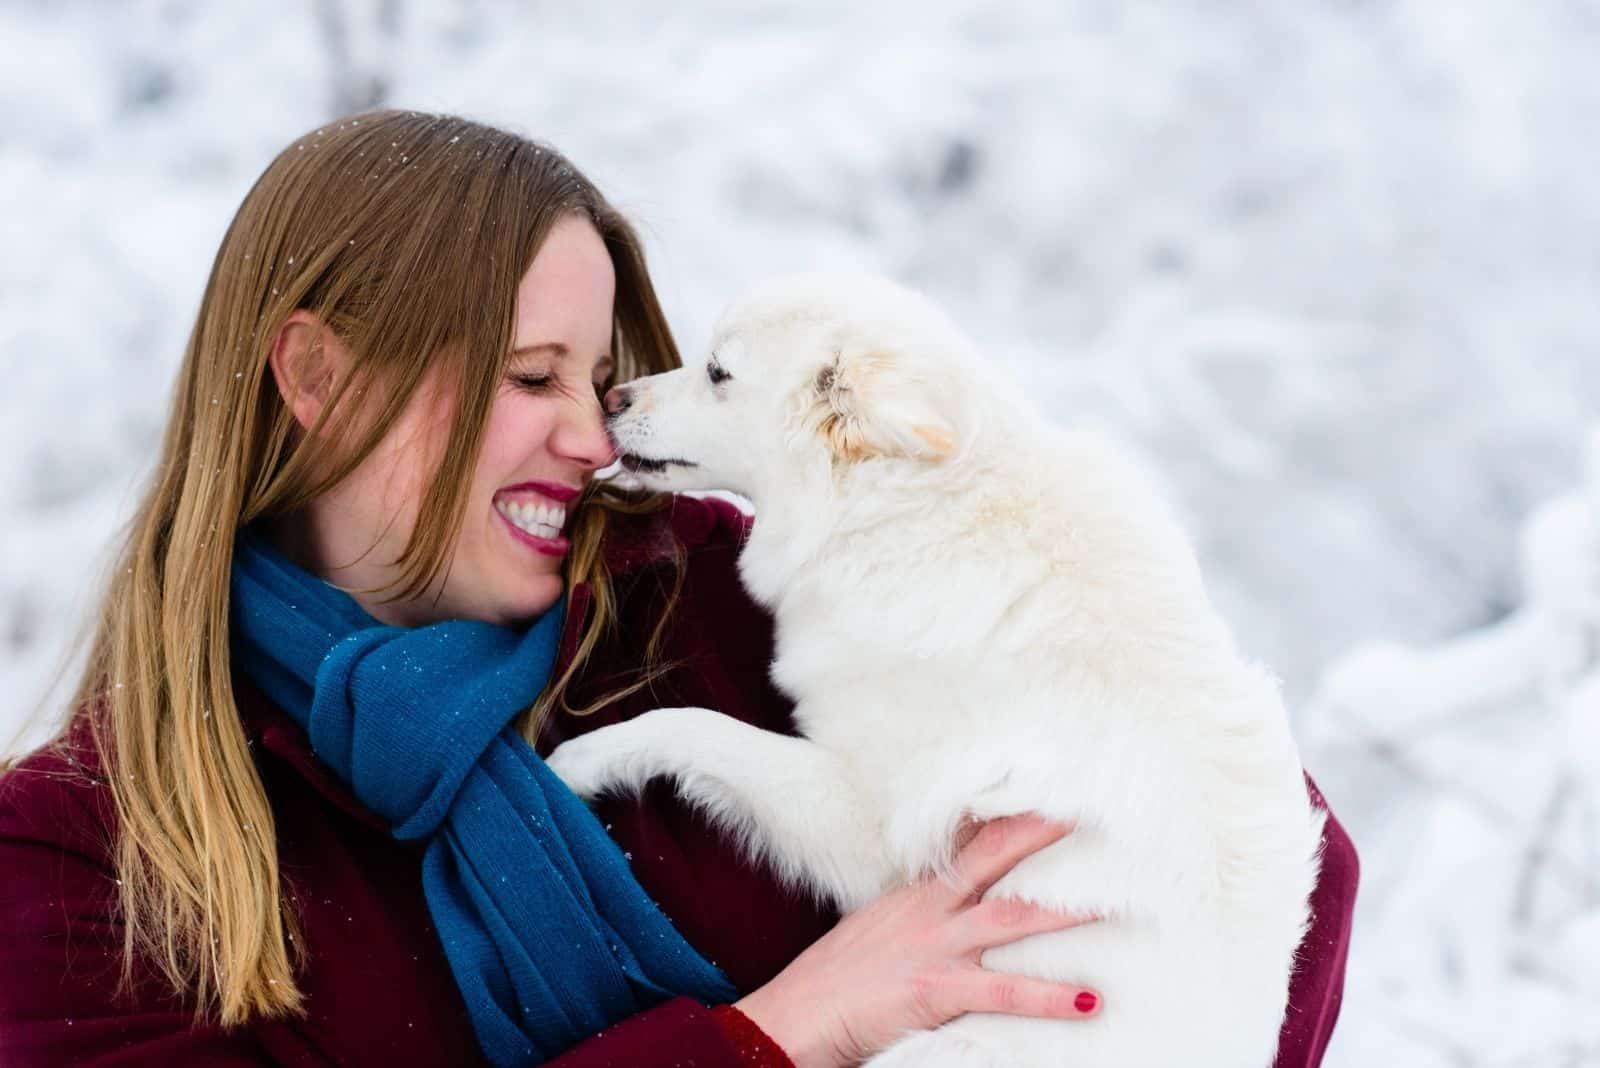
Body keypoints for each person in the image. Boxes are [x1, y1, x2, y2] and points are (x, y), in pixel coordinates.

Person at [0, 110, 1357, 1067]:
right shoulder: (80, 862)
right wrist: (777, 1036)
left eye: (598, 383)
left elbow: (1275, 852)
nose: (593, 438)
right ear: (316, 376)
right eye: (529, 379)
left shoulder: (728, 607)